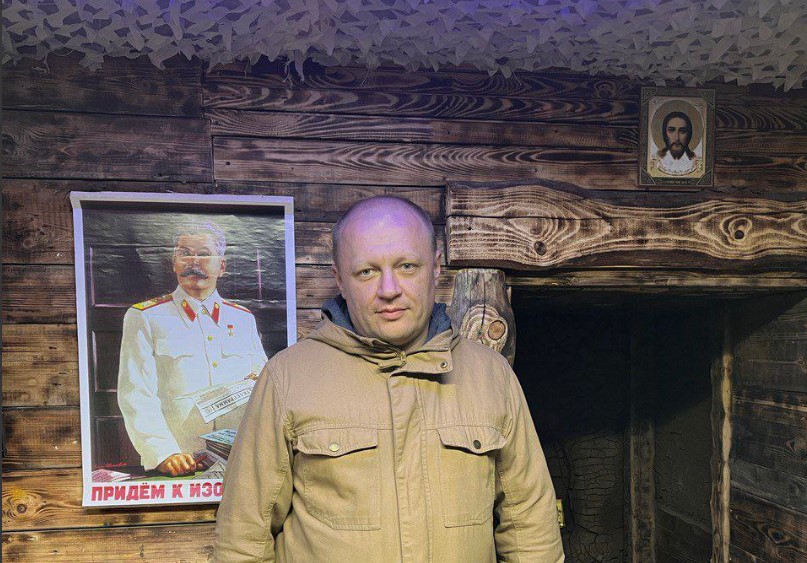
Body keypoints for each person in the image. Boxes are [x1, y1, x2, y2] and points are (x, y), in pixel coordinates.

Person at [214, 197, 564, 562]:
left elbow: (531, 531)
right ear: (340, 279)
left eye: (407, 266)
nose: (389, 289)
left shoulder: (491, 376)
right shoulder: (286, 380)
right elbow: (243, 539)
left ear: (436, 268)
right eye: (366, 272)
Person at [117, 219, 268, 477]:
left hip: (240, 463)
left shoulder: (243, 319)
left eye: (204, 254)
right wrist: (164, 452)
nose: (193, 262)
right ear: (174, 263)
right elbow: (136, 392)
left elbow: (266, 389)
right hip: (179, 463)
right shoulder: (146, 317)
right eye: (185, 253)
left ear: (222, 266)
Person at [653, 110, 700, 176]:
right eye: (671, 130)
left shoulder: (695, 162)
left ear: (689, 135)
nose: (677, 138)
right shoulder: (657, 160)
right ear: (665, 134)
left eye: (682, 131)